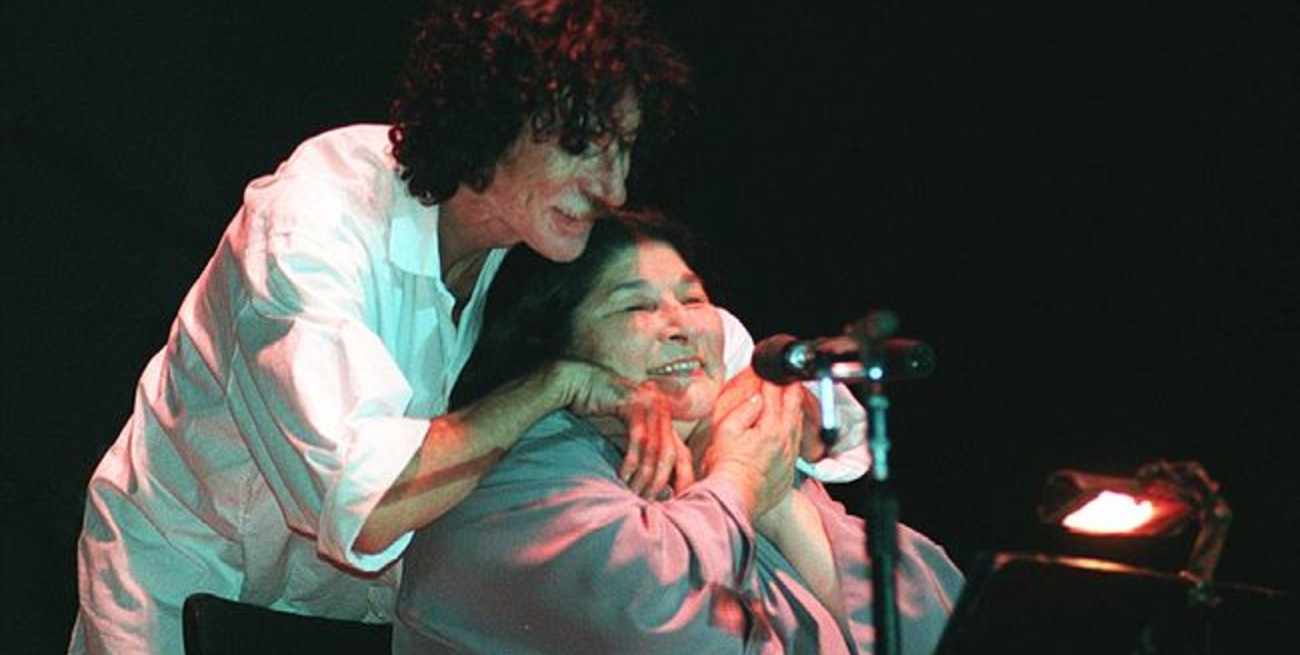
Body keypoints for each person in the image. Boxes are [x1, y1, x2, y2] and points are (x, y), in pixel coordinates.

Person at [69, 2, 706, 653]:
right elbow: (368, 503)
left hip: (357, 613)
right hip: (186, 593)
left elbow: (715, 347)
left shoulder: (534, 234)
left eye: (622, 148)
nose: (615, 188)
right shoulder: (313, 223)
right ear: (490, 122)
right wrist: (554, 385)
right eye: (581, 147)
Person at [394, 210, 964, 655]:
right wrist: (741, 479)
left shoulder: (725, 469)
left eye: (693, 299)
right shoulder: (511, 486)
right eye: (634, 307)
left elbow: (938, 631)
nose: (682, 326)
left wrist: (778, 505)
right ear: (555, 345)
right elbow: (662, 621)